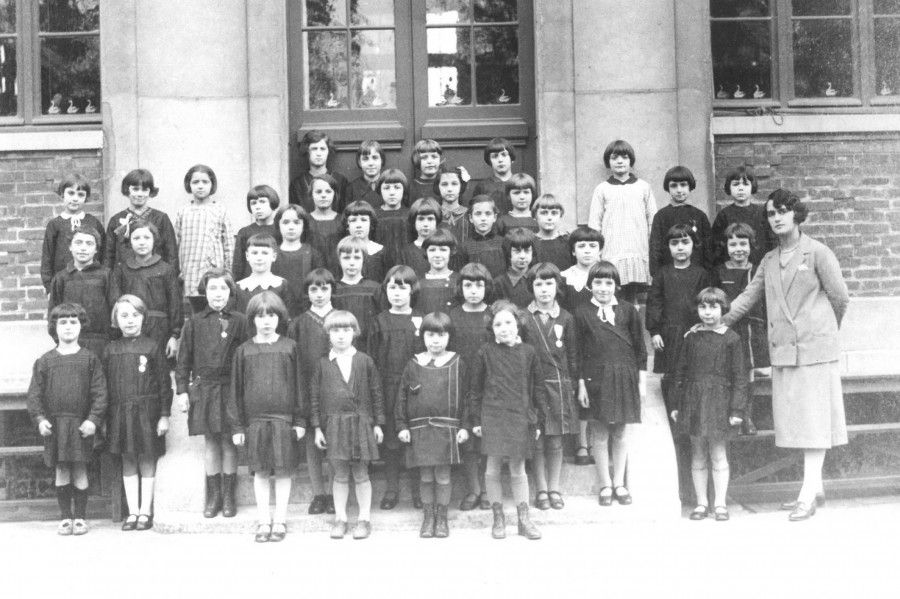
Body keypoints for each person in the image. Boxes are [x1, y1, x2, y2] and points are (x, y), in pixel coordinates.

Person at [723, 189, 849, 521]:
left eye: (782, 211)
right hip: (784, 351)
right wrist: (715, 324)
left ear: (796, 214)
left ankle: (807, 494)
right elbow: (747, 297)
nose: (776, 217)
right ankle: (815, 488)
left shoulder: (818, 253)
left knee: (813, 422)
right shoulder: (768, 260)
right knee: (798, 422)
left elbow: (840, 297)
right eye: (770, 213)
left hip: (814, 351)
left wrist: (821, 330)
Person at [228, 291, 305, 542]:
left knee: (283, 471)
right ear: (252, 319)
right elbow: (236, 391)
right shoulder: (243, 351)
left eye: (271, 315)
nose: (266, 321)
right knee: (260, 472)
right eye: (260, 316)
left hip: (283, 420)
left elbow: (298, 386)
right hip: (255, 422)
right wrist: (238, 426)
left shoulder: (290, 347)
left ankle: (280, 520)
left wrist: (300, 420)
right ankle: (263, 520)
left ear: (279, 317)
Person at [175, 269, 249, 519]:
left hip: (230, 388)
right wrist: (182, 390)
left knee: (229, 442)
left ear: (231, 292)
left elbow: (247, 357)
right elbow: (183, 360)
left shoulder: (240, 320)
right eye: (212, 289)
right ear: (204, 292)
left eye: (223, 289)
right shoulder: (194, 322)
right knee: (211, 443)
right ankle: (214, 495)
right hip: (204, 389)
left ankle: (229, 495)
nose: (218, 294)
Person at [27, 303, 107, 536]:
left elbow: (100, 393)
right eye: (63, 322)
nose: (69, 327)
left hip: (81, 425)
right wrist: (40, 419)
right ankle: (65, 517)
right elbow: (34, 395)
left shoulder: (90, 359)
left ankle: (80, 517)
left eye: (74, 322)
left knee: (80, 468)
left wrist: (93, 419)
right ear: (54, 328)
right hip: (56, 426)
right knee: (62, 469)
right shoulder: (45, 361)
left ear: (81, 326)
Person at [470, 300, 547, 539]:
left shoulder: (529, 352)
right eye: (497, 324)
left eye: (508, 322)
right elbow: (475, 389)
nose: (503, 328)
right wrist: (476, 420)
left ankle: (524, 521)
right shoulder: (485, 352)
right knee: (492, 465)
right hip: (492, 414)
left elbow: (538, 389)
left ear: (518, 324)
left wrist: (537, 421)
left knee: (517, 466)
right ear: (491, 329)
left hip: (520, 415)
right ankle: (498, 518)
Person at [671, 287, 748, 522]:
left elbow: (740, 377)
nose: (707, 312)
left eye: (713, 307)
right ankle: (702, 503)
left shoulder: (731, 339)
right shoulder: (691, 337)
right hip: (693, 401)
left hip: (719, 402)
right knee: (697, 453)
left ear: (723, 309)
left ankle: (720, 503)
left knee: (717, 452)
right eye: (703, 307)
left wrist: (736, 409)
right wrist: (676, 404)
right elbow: (680, 373)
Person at [646, 223, 710, 503]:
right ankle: (680, 482)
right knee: (673, 388)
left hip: (694, 335)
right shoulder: (662, 274)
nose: (680, 248)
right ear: (668, 248)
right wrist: (655, 331)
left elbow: (707, 305)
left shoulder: (701, 274)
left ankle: (697, 488)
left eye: (685, 242)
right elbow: (654, 303)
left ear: (693, 245)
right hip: (670, 337)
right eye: (675, 244)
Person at [575, 262, 646, 506]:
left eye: (608, 283)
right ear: (590, 285)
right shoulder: (582, 313)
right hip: (596, 378)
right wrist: (582, 384)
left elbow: (640, 349)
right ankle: (605, 483)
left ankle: (619, 483)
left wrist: (641, 383)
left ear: (616, 285)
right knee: (601, 432)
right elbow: (578, 352)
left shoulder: (628, 311)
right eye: (598, 282)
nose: (603, 288)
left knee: (620, 431)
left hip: (624, 376)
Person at [311, 311, 386, 540]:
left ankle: (364, 518)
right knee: (340, 474)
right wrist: (316, 427)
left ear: (355, 332)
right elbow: (314, 397)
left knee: (361, 473)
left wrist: (378, 424)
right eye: (335, 330)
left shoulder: (364, 361)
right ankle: (341, 518)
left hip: (361, 423)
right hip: (334, 425)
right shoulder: (323, 364)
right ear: (328, 334)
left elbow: (376, 393)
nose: (341, 336)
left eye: (346, 330)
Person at [396, 312, 469, 538]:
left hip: (446, 430)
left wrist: (464, 426)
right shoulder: (414, 364)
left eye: (441, 335)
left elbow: (466, 397)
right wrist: (401, 426)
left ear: (449, 337)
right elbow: (402, 398)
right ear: (423, 336)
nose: (435, 340)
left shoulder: (457, 362)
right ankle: (428, 517)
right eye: (430, 335)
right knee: (426, 476)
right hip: (420, 430)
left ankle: (442, 518)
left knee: (443, 476)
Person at [105, 295, 172, 531]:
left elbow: (164, 384)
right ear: (116, 319)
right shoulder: (111, 349)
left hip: (147, 413)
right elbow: (104, 386)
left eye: (135, 315)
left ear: (143, 318)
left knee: (146, 456)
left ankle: (146, 511)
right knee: (128, 458)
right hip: (120, 412)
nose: (130, 320)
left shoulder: (152, 346)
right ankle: (132, 511)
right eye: (124, 316)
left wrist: (164, 415)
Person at [521, 263, 578, 510]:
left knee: (555, 440)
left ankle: (554, 488)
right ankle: (541, 489)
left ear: (557, 286)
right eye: (538, 284)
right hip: (533, 386)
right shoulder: (523, 317)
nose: (544, 290)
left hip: (559, 386)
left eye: (549, 284)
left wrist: (575, 385)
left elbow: (573, 355)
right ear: (531, 287)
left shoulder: (566, 317)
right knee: (537, 440)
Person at [368, 265, 424, 510]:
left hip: (417, 387)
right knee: (391, 441)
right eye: (392, 287)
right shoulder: (379, 321)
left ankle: (417, 489)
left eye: (403, 287)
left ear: (413, 290)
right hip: (388, 385)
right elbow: (372, 358)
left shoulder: (421, 319)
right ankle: (391, 489)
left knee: (414, 439)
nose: (397, 293)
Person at [711, 222, 770, 435]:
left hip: (752, 329)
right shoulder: (719, 272)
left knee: (749, 372)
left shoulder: (758, 271)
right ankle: (732, 414)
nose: (738, 249)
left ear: (751, 245)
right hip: (729, 329)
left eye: (743, 243)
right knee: (732, 372)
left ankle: (747, 415)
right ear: (726, 247)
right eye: (733, 244)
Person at [288, 269, 338, 515]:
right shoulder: (298, 323)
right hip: (309, 390)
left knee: (335, 443)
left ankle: (333, 493)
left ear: (332, 290)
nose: (319, 295)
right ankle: (319, 493)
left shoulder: (341, 320)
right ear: (307, 292)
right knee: (312, 443)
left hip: (336, 390)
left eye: (324, 289)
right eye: (313, 290)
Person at [587, 140, 657, 304]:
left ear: (630, 161)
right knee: (613, 294)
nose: (619, 161)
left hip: (637, 249)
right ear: (608, 162)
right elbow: (594, 223)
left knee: (634, 299)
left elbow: (652, 220)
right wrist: (596, 252)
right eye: (614, 157)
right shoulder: (602, 189)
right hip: (613, 250)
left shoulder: (643, 187)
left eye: (624, 157)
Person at [448, 262, 494, 511]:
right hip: (461, 383)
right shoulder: (453, 316)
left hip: (489, 384)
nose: (474, 290)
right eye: (468, 285)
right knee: (467, 439)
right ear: (460, 287)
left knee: (485, 437)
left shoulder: (493, 315)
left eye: (479, 285)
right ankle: (473, 489)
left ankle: (487, 489)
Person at [560, 225, 604, 466]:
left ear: (600, 250)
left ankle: (597, 443)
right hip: (570, 339)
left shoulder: (604, 277)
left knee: (594, 390)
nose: (587, 251)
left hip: (595, 341)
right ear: (573, 251)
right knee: (577, 390)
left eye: (593, 246)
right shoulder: (564, 277)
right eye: (581, 246)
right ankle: (581, 444)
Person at [109, 219, 182, 363]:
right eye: (136, 238)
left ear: (155, 240)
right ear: (130, 242)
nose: (142, 242)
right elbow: (116, 301)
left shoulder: (166, 269)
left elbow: (175, 304)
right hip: (131, 328)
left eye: (147, 237)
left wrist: (174, 336)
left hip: (159, 330)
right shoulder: (122, 270)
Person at [174, 164, 234, 311]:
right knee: (193, 310)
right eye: (195, 182)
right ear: (189, 184)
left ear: (212, 184)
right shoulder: (184, 211)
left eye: (205, 182)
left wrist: (228, 271)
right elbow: (176, 241)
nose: (200, 186)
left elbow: (229, 244)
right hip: (189, 272)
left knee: (214, 306)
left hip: (213, 271)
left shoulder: (220, 210)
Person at [48, 227, 112, 358]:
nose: (83, 248)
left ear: (96, 250)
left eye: (89, 244)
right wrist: (62, 341)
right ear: (70, 247)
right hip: (70, 342)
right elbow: (53, 315)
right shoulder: (61, 278)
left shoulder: (106, 275)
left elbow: (115, 308)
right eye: (78, 243)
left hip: (101, 342)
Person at [105, 169, 179, 277]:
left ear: (150, 192)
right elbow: (108, 255)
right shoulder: (116, 220)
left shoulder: (161, 218)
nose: (139, 194)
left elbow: (171, 254)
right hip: (125, 277)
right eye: (135, 189)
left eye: (144, 190)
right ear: (127, 190)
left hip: (155, 277)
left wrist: (170, 278)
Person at [41, 173, 105, 294]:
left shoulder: (93, 222)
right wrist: (49, 287)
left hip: (92, 282)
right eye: (71, 193)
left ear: (86, 198)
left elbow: (103, 252)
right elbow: (47, 257)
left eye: (80, 195)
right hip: (63, 284)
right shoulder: (55, 225)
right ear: (62, 194)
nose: (75, 198)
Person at [649, 165, 712, 275]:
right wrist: (657, 276)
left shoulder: (699, 216)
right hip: (669, 275)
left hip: (696, 274)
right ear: (668, 188)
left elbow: (708, 249)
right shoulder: (661, 216)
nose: (679, 190)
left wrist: (707, 275)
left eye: (683, 185)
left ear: (690, 187)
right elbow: (655, 249)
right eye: (674, 186)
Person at [711, 165, 775, 267]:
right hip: (733, 268)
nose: (740, 188)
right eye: (736, 185)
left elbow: (771, 242)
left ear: (752, 186)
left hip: (759, 266)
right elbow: (717, 246)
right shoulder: (724, 215)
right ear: (729, 188)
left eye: (745, 184)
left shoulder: (762, 213)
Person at [272, 204, 325, 317]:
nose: (291, 227)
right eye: (286, 222)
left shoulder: (313, 254)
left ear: (304, 225)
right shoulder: (272, 255)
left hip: (306, 312)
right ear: (278, 225)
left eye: (296, 222)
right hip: (276, 312)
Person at [331, 236, 381, 340]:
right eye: (346, 258)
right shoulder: (333, 289)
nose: (352, 262)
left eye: (357, 257)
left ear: (364, 259)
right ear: (339, 260)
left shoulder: (375, 288)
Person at [289, 130, 348, 214]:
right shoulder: (298, 183)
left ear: (328, 151)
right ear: (307, 151)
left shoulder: (340, 180)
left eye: (322, 149)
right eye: (314, 149)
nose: (318, 153)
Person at [233, 233, 292, 315]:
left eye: (264, 253)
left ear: (274, 256)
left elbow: (286, 316)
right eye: (254, 253)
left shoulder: (281, 284)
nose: (259, 258)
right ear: (247, 256)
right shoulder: (239, 287)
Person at [233, 185, 280, 282]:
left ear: (272, 202)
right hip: (250, 281)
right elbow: (238, 264)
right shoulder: (244, 232)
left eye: (262, 202)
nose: (258, 207)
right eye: (253, 203)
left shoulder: (280, 230)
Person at [306, 174, 344, 276]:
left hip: (338, 272)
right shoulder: (305, 221)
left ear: (334, 194)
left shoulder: (342, 221)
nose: (323, 195)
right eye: (318, 192)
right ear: (311, 194)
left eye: (328, 191)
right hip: (312, 272)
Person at [459, 195, 505, 278]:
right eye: (478, 214)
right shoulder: (465, 247)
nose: (483, 218)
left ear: (494, 217)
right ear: (471, 218)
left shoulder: (503, 243)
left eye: (488, 214)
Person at [416, 228, 459, 315]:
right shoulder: (418, 282)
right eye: (432, 250)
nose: (437, 255)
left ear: (451, 252)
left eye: (443, 250)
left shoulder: (459, 280)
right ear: (426, 252)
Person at [343, 200, 386, 284]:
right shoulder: (342, 251)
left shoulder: (380, 251)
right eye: (353, 220)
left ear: (371, 223)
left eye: (363, 220)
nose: (359, 225)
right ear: (347, 225)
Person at [373, 169, 410, 264]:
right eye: (386, 188)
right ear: (380, 190)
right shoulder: (373, 215)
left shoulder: (409, 214)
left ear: (404, 189)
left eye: (397, 187)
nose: (392, 192)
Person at [398, 197, 442, 276]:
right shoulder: (405, 252)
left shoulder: (444, 249)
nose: (425, 224)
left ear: (437, 220)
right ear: (414, 221)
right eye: (421, 219)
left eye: (430, 219)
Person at [471, 137, 516, 213]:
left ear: (511, 158)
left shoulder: (520, 183)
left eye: (504, 155)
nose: (500, 160)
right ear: (489, 161)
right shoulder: (482, 187)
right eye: (495, 156)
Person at [494, 227, 536, 308]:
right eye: (517, 251)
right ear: (508, 252)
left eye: (527, 251)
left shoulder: (537, 279)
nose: (522, 256)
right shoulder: (498, 283)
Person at [532, 193, 574, 271]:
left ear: (560, 216)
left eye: (554, 213)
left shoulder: (568, 242)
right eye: (544, 213)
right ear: (535, 216)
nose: (549, 217)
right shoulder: (531, 242)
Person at [434, 165, 470, 246]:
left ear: (461, 186)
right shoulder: (433, 215)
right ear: (438, 187)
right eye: (444, 184)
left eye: (454, 184)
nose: (449, 189)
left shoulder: (469, 215)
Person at [344, 140, 385, 208]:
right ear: (359, 162)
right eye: (365, 159)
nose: (371, 163)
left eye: (375, 158)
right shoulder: (352, 188)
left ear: (382, 160)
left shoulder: (389, 185)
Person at [408, 139, 444, 203]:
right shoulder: (412, 187)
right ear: (417, 160)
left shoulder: (446, 184)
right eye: (424, 157)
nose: (429, 161)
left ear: (440, 159)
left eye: (434, 157)